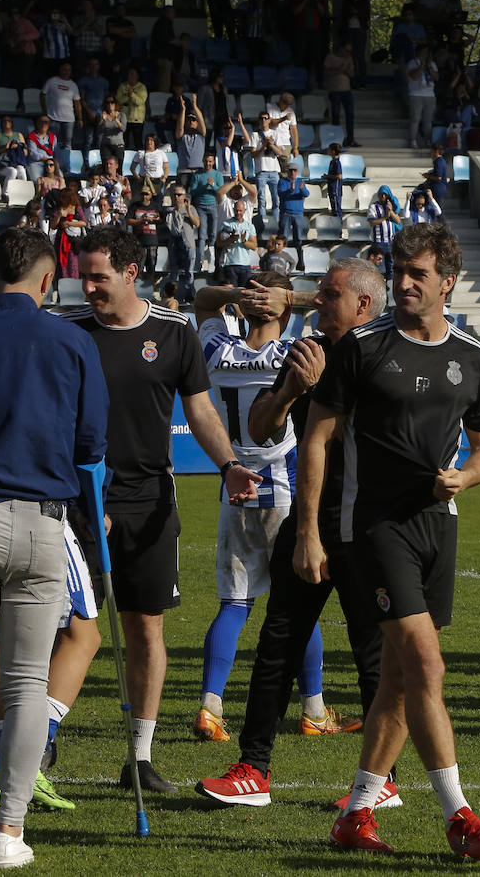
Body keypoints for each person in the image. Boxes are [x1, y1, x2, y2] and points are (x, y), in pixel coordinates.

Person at [299, 225, 480, 859]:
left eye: (419, 273)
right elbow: (316, 440)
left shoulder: (472, 356)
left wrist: (466, 477)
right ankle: (459, 816)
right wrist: (309, 531)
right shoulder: (361, 347)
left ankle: (356, 814)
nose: (406, 282)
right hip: (371, 524)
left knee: (395, 680)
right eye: (400, 271)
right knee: (426, 666)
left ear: (447, 281)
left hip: (436, 526)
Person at [63, 227, 260, 794]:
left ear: (132, 273)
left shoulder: (173, 331)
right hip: (80, 504)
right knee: (67, 625)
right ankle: (42, 739)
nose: (88, 286)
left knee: (146, 626)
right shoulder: (69, 332)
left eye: (99, 275)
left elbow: (199, 410)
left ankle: (141, 759)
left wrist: (228, 465)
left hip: (150, 501)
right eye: (84, 274)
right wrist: (77, 499)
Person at [195, 259, 390, 808]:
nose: (319, 302)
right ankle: (259, 762)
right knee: (278, 638)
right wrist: (287, 392)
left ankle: (382, 780)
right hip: (300, 507)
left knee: (370, 649)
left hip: (359, 519)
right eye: (315, 295)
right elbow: (261, 426)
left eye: (329, 295)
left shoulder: (383, 349)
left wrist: (277, 299)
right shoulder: (304, 353)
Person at [0, 228, 108, 869]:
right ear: (48, 280)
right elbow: (92, 443)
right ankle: (8, 831)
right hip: (45, 521)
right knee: (25, 682)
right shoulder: (73, 340)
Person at [189, 271, 346, 743]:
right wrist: (291, 298)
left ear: (241, 310)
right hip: (287, 489)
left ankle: (210, 706)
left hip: (234, 485)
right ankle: (314, 709)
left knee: (234, 604)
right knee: (299, 604)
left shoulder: (218, 350)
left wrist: (238, 294)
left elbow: (202, 302)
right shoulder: (298, 353)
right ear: (284, 310)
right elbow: (341, 312)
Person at [217, 199, 258, 288]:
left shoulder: (249, 226)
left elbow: (254, 246)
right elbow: (219, 243)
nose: (238, 213)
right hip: (230, 264)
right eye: (236, 210)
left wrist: (244, 241)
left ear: (244, 211)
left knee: (244, 293)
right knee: (231, 294)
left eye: (240, 211)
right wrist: (231, 239)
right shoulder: (225, 224)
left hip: (245, 265)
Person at [277, 165, 308, 260]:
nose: (292, 173)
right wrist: (290, 190)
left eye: (294, 171)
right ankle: (282, 259)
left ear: (297, 171)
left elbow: (306, 194)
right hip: (286, 213)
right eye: (291, 171)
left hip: (298, 214)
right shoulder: (282, 181)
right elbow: (281, 194)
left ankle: (299, 260)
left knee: (298, 239)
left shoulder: (300, 182)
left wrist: (302, 189)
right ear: (288, 171)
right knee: (283, 238)